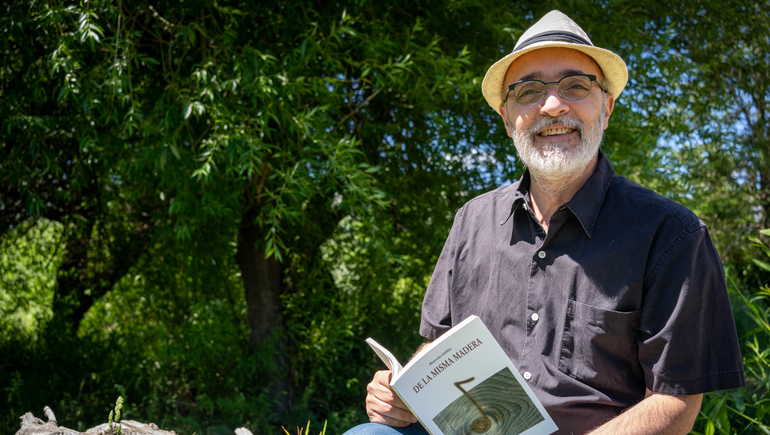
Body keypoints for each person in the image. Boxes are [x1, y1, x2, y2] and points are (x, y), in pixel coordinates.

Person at [345, 10, 745, 435]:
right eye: (529, 91)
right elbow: (437, 348)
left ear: (606, 107)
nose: (552, 106)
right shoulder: (471, 221)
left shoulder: (671, 233)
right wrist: (403, 390)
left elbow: (676, 402)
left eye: (576, 86)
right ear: (506, 117)